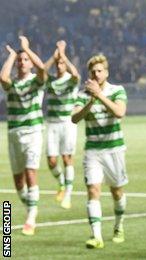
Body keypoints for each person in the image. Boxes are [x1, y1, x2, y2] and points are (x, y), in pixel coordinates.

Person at [71, 54, 128, 249]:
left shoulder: (117, 90)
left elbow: (119, 112)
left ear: (106, 72)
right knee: (93, 190)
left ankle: (119, 225)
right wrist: (91, 100)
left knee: (117, 192)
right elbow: (74, 118)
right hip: (93, 151)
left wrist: (100, 96)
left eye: (99, 71)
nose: (96, 74)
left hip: (114, 150)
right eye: (93, 71)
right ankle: (96, 236)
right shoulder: (83, 94)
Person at [0, 36, 47, 236]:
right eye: (20, 60)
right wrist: (12, 55)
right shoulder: (12, 85)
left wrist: (27, 49)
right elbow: (3, 78)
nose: (22, 62)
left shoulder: (36, 82)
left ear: (30, 63)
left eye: (25, 60)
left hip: (33, 132)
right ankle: (31, 208)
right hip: (14, 134)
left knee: (30, 174)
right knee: (19, 182)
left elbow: (43, 70)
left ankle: (31, 218)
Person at [43, 40, 80, 209]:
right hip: (52, 124)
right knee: (51, 161)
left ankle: (68, 195)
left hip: (67, 123)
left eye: (62, 63)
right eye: (58, 63)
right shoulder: (49, 81)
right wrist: (54, 55)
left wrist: (63, 55)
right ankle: (62, 183)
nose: (59, 65)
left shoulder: (71, 81)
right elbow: (41, 71)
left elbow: (76, 75)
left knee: (67, 158)